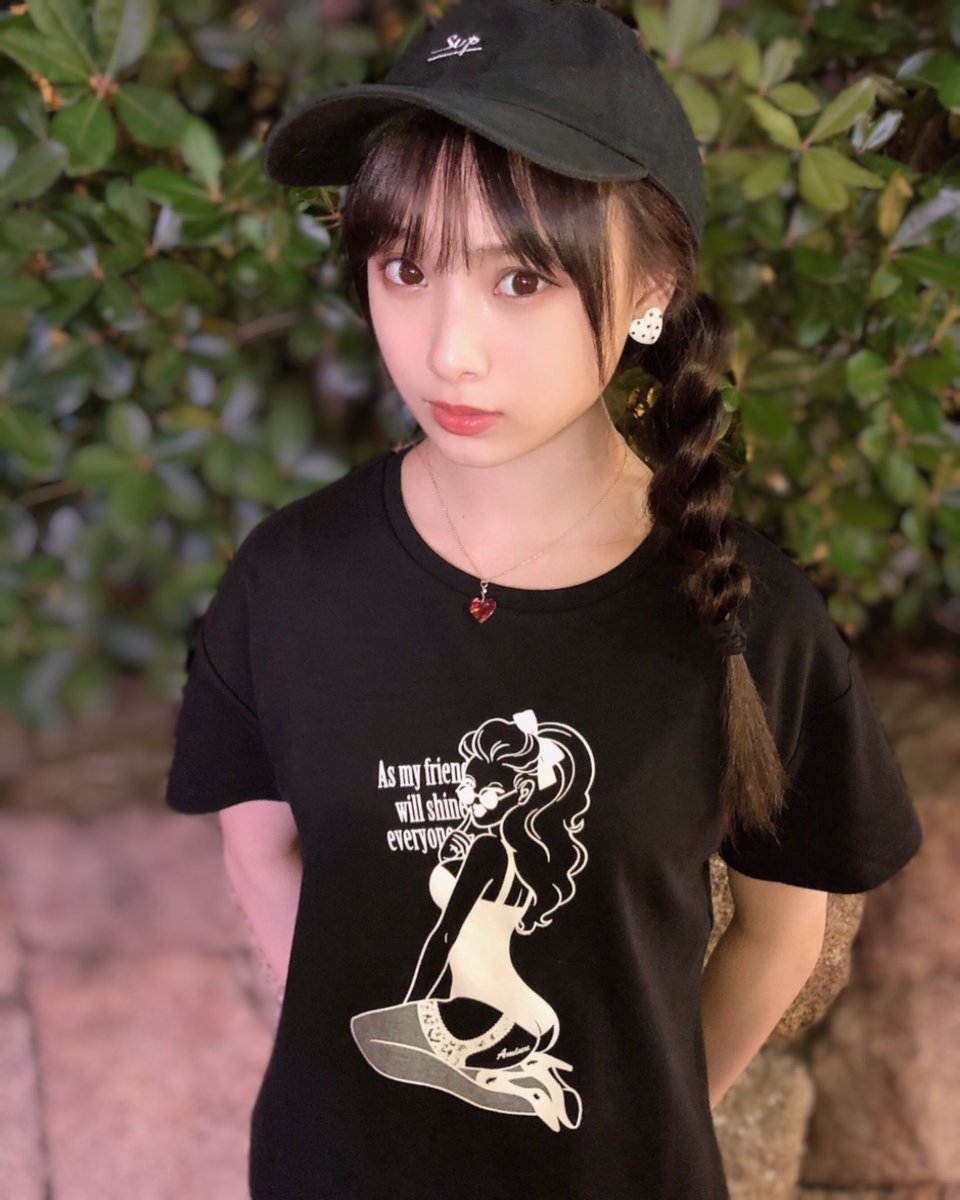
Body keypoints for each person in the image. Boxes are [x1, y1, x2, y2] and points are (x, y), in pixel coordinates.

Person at [164, 1, 924, 1196]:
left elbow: (784, 927)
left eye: (521, 278)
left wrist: (651, 1126)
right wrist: (350, 1059)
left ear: (652, 287)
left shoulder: (746, 614)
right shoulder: (288, 579)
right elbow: (258, 849)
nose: (448, 350)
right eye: (407, 268)